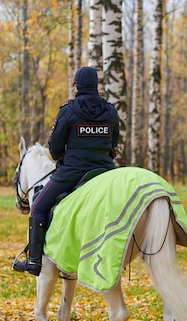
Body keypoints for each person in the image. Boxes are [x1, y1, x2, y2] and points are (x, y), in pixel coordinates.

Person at [12, 66, 120, 275]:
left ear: (76, 86)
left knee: (38, 208)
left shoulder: (68, 111)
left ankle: (34, 261)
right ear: (96, 85)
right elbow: (114, 143)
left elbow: (53, 149)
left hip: (72, 173)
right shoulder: (110, 111)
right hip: (106, 172)